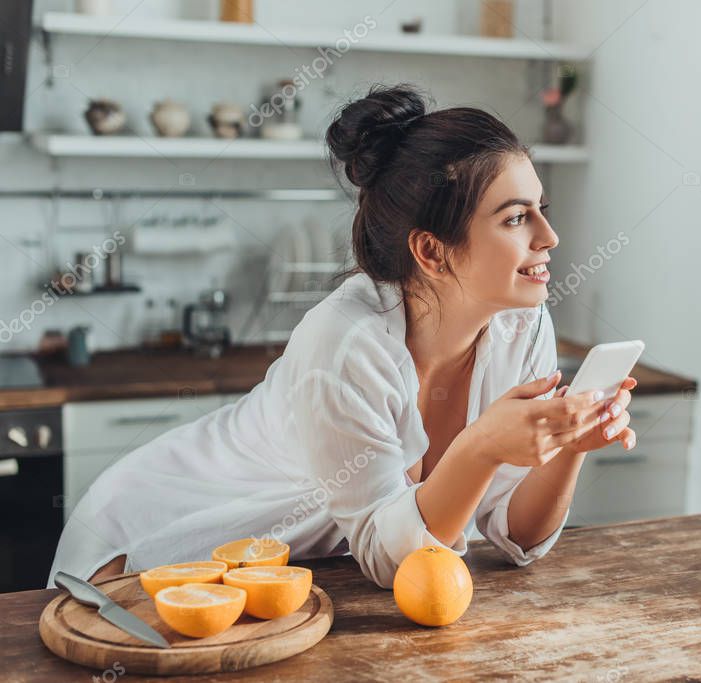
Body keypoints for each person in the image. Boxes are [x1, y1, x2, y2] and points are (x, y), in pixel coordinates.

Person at [48, 83, 637, 590]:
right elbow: (389, 558)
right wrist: (481, 445)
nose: (549, 236)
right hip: (161, 538)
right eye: (515, 217)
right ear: (431, 250)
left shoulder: (521, 324)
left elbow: (515, 538)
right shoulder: (346, 342)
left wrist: (569, 447)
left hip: (294, 574)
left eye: (542, 208)